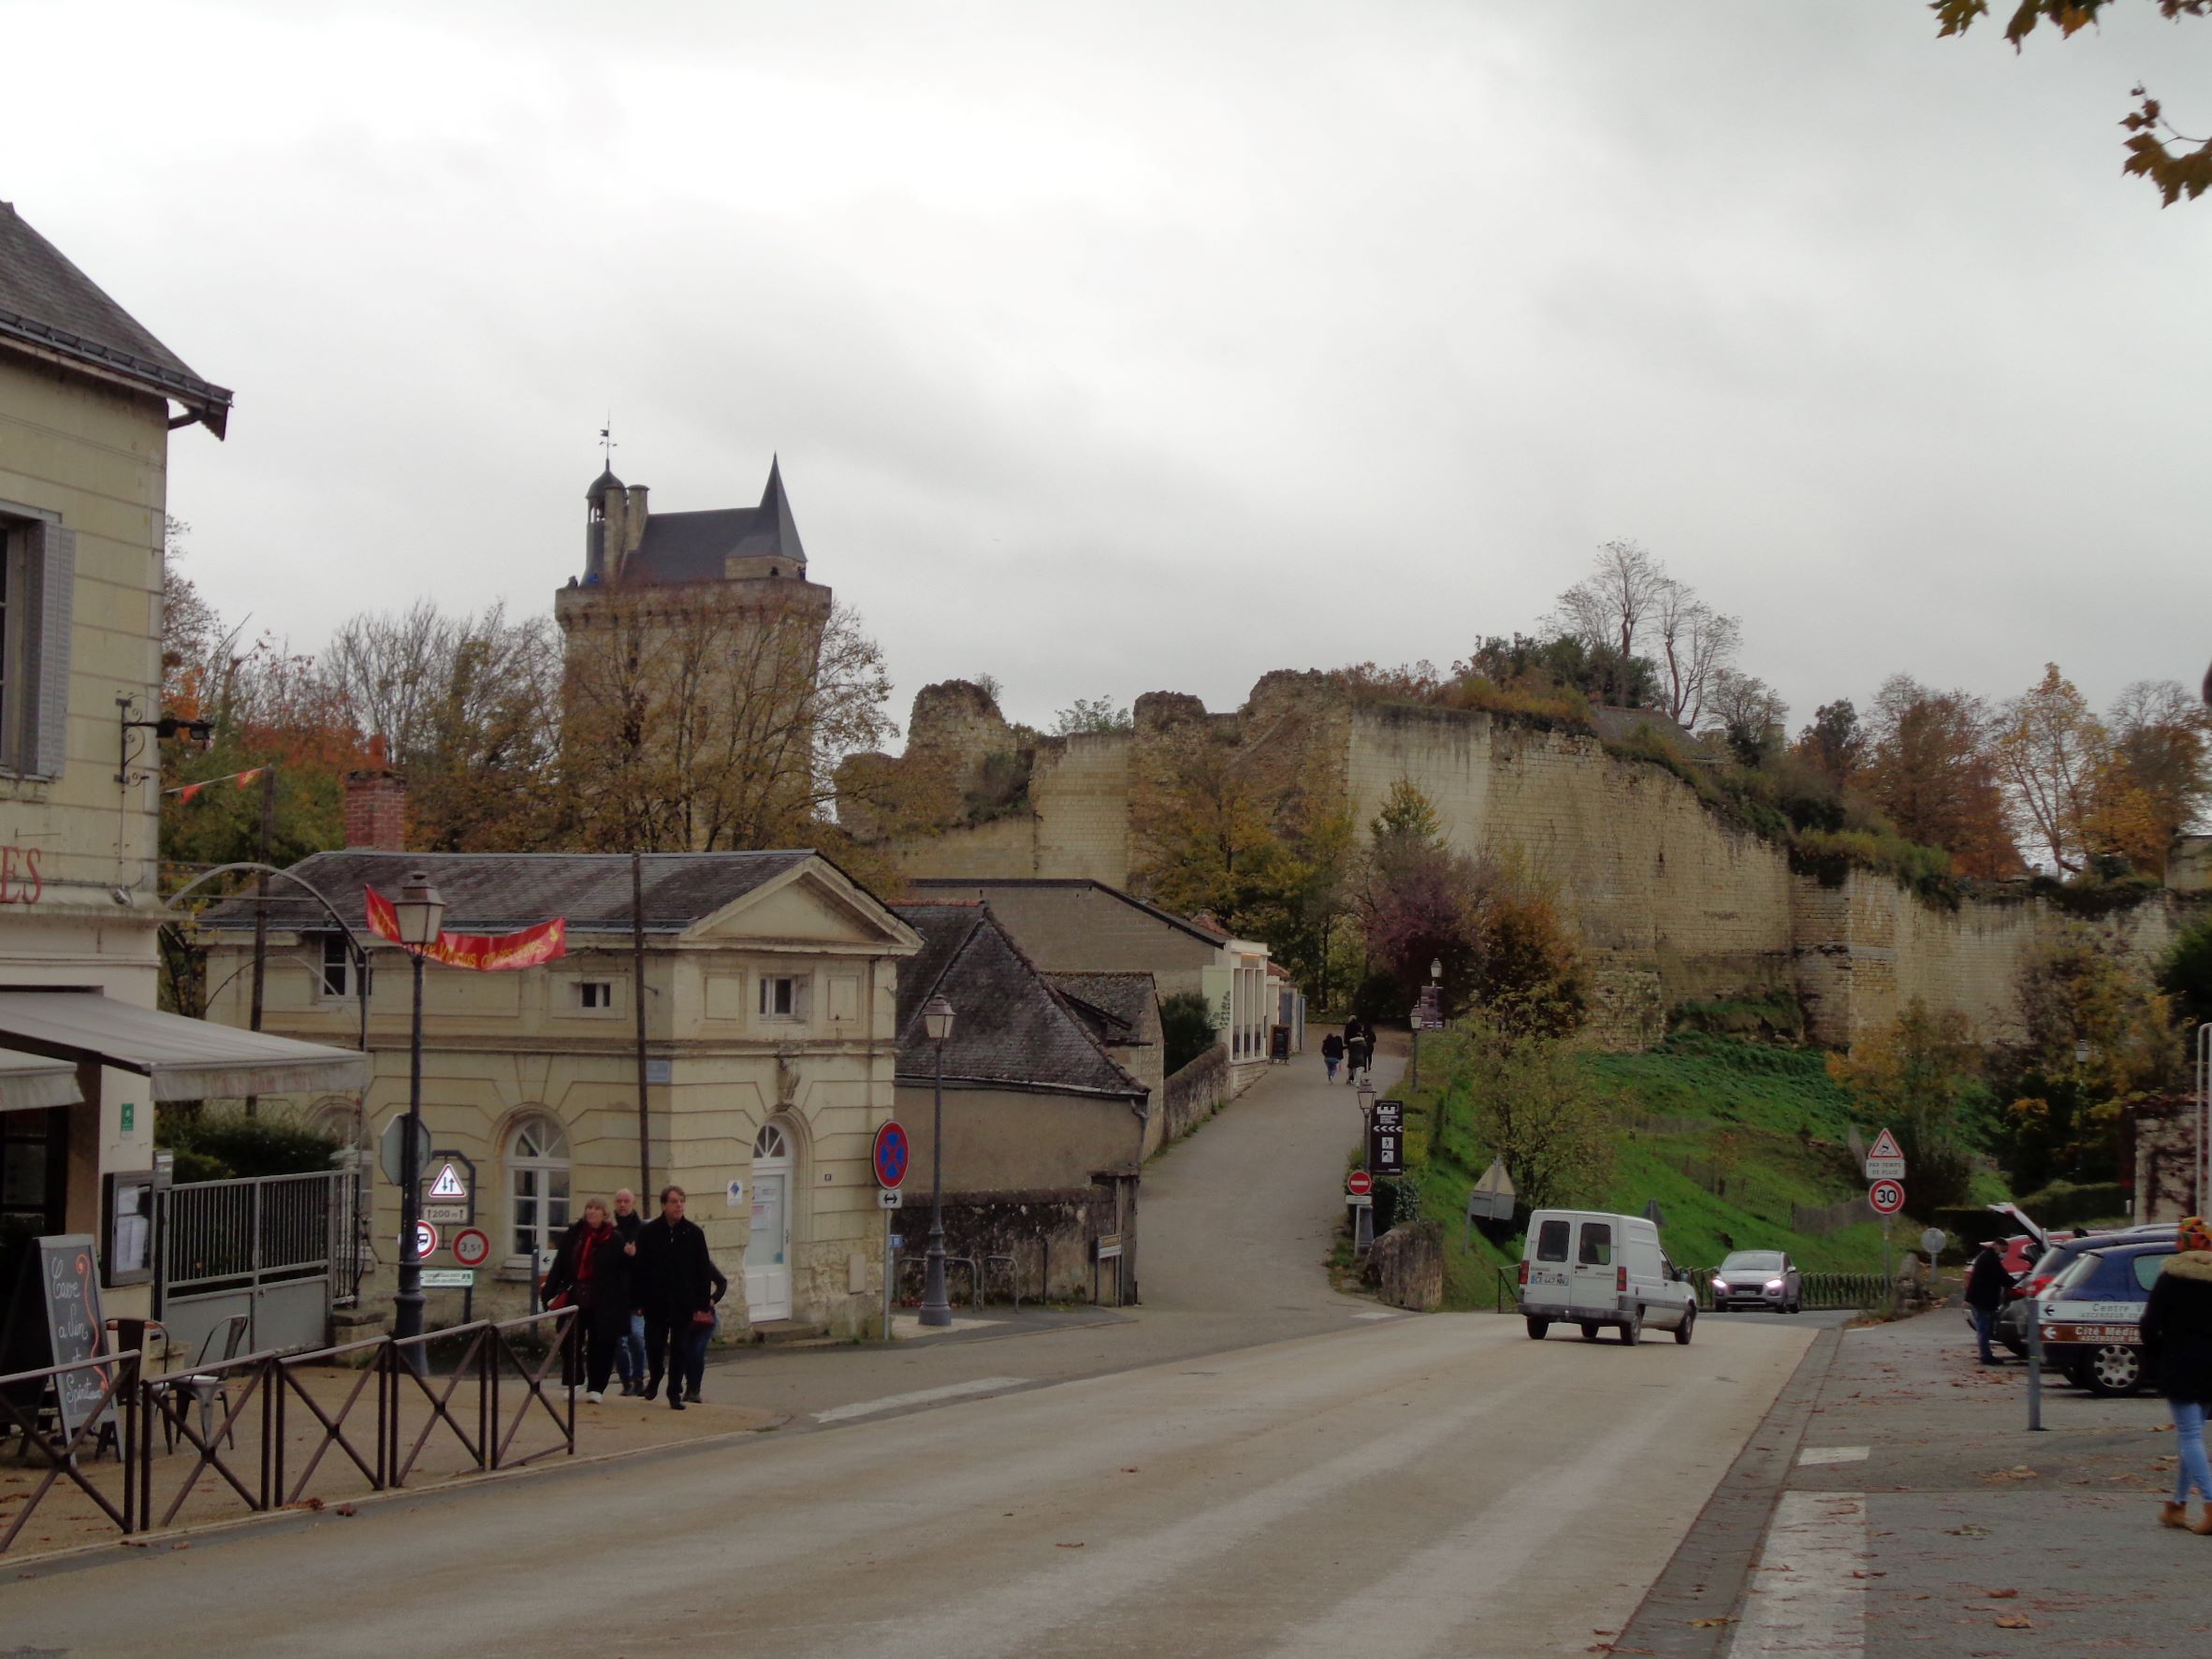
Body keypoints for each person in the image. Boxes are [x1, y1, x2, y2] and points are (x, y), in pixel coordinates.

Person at [2140, 1215, 2212, 1533]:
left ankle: (2211, 1504)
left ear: (2182, 1243)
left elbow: (2149, 1324)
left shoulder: (2171, 1277)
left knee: (2190, 1435)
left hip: (2180, 1363)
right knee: (2192, 1433)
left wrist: (2157, 1354)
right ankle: (2178, 1506)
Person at [633, 1184, 727, 1410]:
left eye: (682, 1201)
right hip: (656, 1301)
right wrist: (637, 1299)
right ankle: (655, 1376)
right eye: (674, 1201)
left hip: (683, 1302)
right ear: (664, 1205)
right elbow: (639, 1268)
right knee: (654, 1346)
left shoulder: (693, 1233)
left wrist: (702, 1301)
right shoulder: (649, 1232)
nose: (679, 1206)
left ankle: (674, 1391)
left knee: (680, 1348)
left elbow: (702, 1270)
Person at [541, 1198, 632, 1403]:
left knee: (601, 1344)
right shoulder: (574, 1235)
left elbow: (624, 1271)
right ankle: (575, 1381)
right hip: (575, 1296)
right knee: (568, 1340)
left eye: (597, 1209)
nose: (592, 1212)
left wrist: (630, 1258)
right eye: (589, 1208)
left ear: (605, 1214)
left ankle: (597, 1387)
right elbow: (560, 1265)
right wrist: (549, 1292)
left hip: (604, 1300)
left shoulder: (614, 1239)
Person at [610, 1186, 647, 1395]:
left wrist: (635, 1255)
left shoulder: (641, 1230)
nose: (622, 1205)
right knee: (618, 1341)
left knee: (636, 1338)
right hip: (615, 1297)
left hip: (636, 1296)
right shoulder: (610, 1231)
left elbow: (647, 1264)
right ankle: (626, 1381)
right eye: (619, 1201)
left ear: (633, 1204)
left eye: (626, 1201)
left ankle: (639, 1377)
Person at [1964, 1240, 2014, 1365]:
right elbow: (2001, 1276)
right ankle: (1985, 1356)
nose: (2004, 1254)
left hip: (1980, 1298)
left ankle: (1985, 1354)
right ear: (1997, 1246)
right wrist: (2015, 1283)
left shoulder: (1987, 1257)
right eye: (2003, 1250)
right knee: (1983, 1327)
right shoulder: (1990, 1259)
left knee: (1984, 1327)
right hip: (1983, 1299)